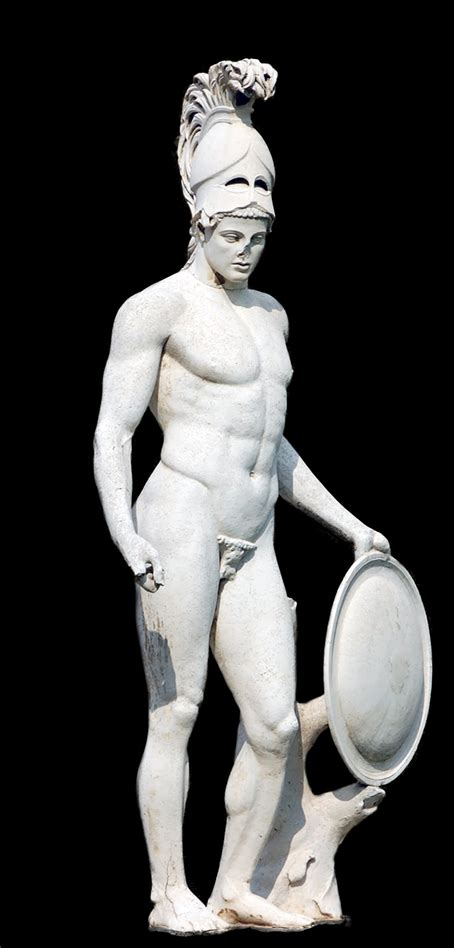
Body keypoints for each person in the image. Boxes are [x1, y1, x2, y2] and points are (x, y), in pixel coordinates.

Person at [94, 59, 389, 934]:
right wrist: (125, 534)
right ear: (200, 217)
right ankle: (167, 893)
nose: (248, 245)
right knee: (177, 711)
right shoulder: (154, 309)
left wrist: (350, 525)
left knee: (272, 727)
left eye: (260, 231)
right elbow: (113, 432)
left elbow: (272, 444)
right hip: (180, 518)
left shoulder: (270, 317)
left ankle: (234, 887)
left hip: (253, 535)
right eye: (233, 230)